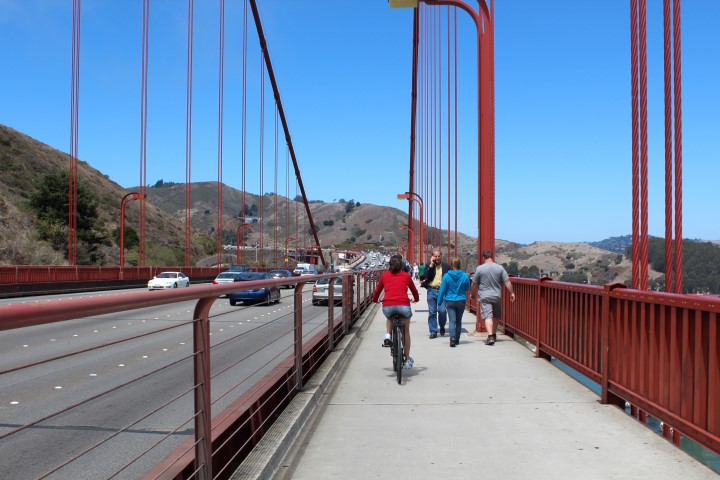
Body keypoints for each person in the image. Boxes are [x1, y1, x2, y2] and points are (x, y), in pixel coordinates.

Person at [372, 254, 420, 370]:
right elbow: (414, 290)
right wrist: (416, 299)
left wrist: (375, 300)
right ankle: (407, 359)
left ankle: (388, 334)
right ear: (402, 265)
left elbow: (378, 290)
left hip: (388, 306)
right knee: (406, 332)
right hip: (403, 305)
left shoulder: (385, 276)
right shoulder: (406, 276)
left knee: (389, 316)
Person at [471, 249, 515, 345]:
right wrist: (512, 293)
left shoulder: (480, 268)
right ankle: (494, 334)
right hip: (496, 296)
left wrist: (472, 294)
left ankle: (490, 336)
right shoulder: (500, 268)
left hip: (484, 296)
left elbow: (474, 284)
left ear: (483, 257)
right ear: (492, 257)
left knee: (488, 316)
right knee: (496, 315)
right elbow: (507, 281)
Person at [437, 257, 471, 347]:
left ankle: (452, 339)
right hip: (461, 300)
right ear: (459, 264)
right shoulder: (464, 275)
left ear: (451, 265)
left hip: (450, 300)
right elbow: (467, 287)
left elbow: (442, 290)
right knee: (459, 321)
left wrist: (439, 301)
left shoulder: (446, 276)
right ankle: (457, 339)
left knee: (452, 320)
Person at [419, 249, 450, 339]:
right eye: (435, 256)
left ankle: (442, 325)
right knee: (432, 312)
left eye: (438, 256)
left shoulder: (446, 266)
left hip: (442, 291)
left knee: (442, 311)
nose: (437, 258)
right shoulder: (429, 265)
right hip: (431, 290)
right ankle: (433, 331)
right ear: (432, 257)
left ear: (441, 256)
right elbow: (426, 276)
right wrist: (431, 265)